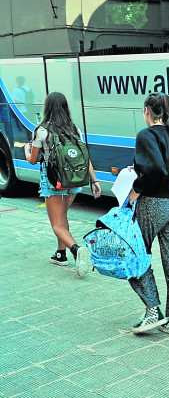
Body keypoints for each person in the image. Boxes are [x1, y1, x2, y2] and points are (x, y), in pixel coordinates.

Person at [127, 93, 169, 338]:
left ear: (147, 112)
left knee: (136, 254)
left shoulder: (146, 135)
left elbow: (155, 169)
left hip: (153, 203)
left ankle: (153, 309)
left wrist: (135, 189)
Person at [24, 92, 102, 276]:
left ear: (47, 107)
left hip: (53, 181)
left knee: (57, 224)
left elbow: (33, 160)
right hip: (73, 180)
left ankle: (76, 250)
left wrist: (27, 150)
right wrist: (94, 180)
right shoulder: (74, 128)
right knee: (62, 216)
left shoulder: (41, 130)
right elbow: (85, 157)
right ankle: (60, 254)